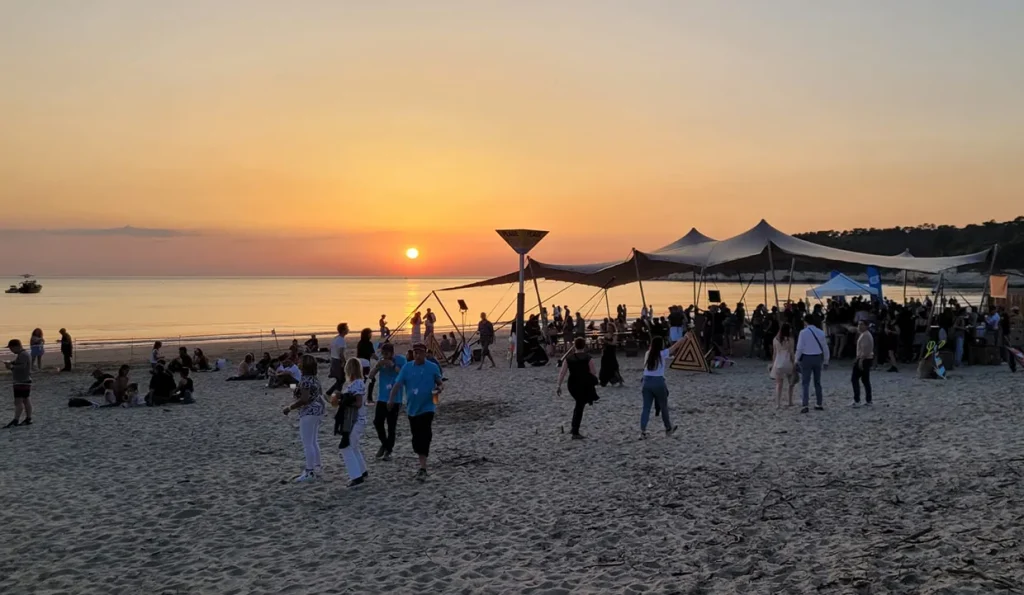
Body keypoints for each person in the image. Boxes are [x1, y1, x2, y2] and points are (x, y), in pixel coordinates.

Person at [389, 342, 444, 482]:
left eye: (420, 352)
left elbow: (440, 382)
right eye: (415, 352)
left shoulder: (432, 367)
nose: (417, 355)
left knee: (425, 434)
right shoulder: (407, 367)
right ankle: (421, 459)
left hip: (428, 407)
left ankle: (423, 467)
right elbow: (397, 384)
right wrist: (391, 399)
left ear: (425, 353)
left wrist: (439, 389)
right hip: (412, 409)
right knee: (416, 437)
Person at [282, 355, 325, 483]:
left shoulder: (306, 380)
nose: (298, 363)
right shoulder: (314, 379)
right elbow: (316, 393)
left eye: (300, 361)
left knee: (307, 443)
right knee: (313, 441)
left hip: (309, 413)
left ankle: (309, 471)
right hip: (318, 411)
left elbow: (304, 399)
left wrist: (290, 408)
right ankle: (317, 466)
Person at [334, 358, 369, 487]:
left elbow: (358, 403)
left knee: (345, 447)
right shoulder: (358, 383)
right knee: (353, 446)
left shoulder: (357, 384)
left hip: (354, 420)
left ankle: (356, 476)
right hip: (357, 419)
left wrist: (344, 400)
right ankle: (362, 470)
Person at [639, 336, 683, 438]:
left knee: (646, 408)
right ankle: (668, 428)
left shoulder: (647, 353)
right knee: (664, 407)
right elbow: (676, 346)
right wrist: (685, 337)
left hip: (646, 382)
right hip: (658, 382)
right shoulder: (662, 354)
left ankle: (643, 431)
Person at [557, 337, 600, 439]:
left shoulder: (569, 358)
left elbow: (562, 373)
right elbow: (593, 372)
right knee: (580, 406)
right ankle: (575, 431)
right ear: (584, 346)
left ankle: (574, 428)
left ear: (574, 346)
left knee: (579, 404)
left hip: (572, 384)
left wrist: (559, 385)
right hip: (583, 384)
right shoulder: (588, 358)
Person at [369, 343, 406, 461]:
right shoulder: (381, 361)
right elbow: (370, 376)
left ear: (392, 353)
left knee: (391, 425)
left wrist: (393, 365)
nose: (384, 356)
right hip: (382, 397)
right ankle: (385, 444)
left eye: (386, 354)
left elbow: (403, 375)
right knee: (377, 422)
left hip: (395, 398)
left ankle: (388, 451)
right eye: (383, 354)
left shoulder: (400, 360)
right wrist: (376, 367)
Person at [796, 314, 830, 413]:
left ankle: (805, 405)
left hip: (806, 357)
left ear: (805, 321)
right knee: (817, 382)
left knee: (805, 382)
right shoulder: (820, 332)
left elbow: (800, 348)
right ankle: (819, 403)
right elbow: (825, 348)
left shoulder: (803, 332)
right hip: (818, 358)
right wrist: (826, 360)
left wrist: (796, 359)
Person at [4, 339, 33, 427]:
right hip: (25, 381)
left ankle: (16, 420)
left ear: (16, 346)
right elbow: (20, 363)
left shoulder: (23, 354)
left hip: (21, 381)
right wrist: (11, 363)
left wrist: (11, 367)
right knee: (25, 399)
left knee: (18, 401)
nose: (11, 351)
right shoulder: (23, 354)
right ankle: (28, 419)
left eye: (11, 349)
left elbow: (22, 367)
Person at [770, 323, 797, 408]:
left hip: (778, 363)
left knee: (779, 384)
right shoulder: (790, 340)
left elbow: (774, 353)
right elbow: (792, 353)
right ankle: (790, 401)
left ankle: (778, 403)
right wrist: (794, 363)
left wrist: (773, 364)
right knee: (791, 383)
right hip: (788, 362)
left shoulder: (775, 340)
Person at [851, 320, 874, 407]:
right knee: (865, 380)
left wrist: (860, 360)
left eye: (862, 324)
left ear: (866, 326)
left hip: (863, 359)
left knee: (855, 379)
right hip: (865, 359)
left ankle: (857, 400)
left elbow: (865, 349)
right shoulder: (865, 334)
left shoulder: (865, 335)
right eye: (859, 324)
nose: (860, 326)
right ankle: (868, 400)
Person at [327, 323, 349, 395]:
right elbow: (341, 354)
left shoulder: (335, 338)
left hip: (334, 360)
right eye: (347, 328)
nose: (348, 329)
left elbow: (330, 350)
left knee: (340, 379)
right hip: (338, 361)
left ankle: (335, 394)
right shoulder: (341, 340)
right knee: (341, 379)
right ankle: (330, 393)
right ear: (343, 330)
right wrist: (344, 362)